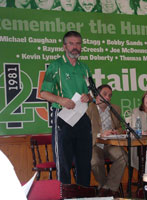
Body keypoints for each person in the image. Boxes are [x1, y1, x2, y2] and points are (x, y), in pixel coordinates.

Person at [40, 31, 92, 187]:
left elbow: (91, 93)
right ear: (64, 46)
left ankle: (84, 196)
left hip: (82, 117)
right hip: (63, 117)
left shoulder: (85, 68)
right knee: (64, 162)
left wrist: (88, 97)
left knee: (84, 162)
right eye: (71, 43)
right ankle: (66, 197)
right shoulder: (56, 66)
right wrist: (61, 100)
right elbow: (43, 93)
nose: (75, 47)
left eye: (78, 43)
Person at [86, 84, 127, 198]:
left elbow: (120, 128)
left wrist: (115, 132)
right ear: (97, 95)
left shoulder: (115, 109)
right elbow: (85, 131)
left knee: (123, 157)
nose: (108, 97)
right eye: (104, 94)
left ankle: (109, 188)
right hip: (95, 144)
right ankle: (105, 187)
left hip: (111, 144)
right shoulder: (90, 108)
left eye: (110, 95)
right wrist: (100, 134)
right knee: (94, 161)